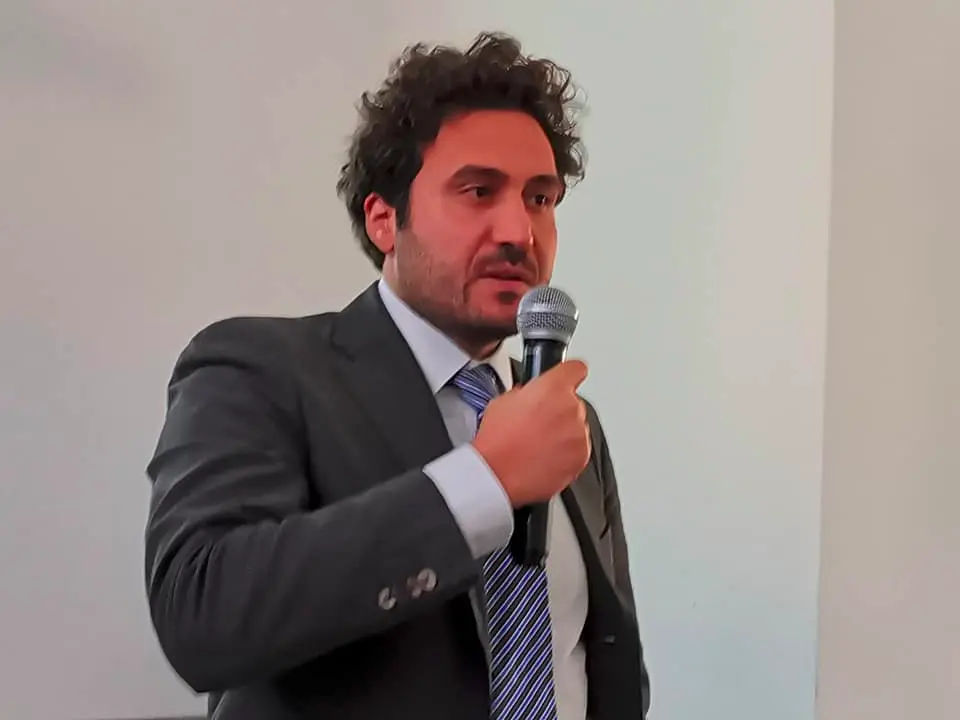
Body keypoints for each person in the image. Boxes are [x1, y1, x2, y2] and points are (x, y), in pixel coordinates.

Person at [145, 31, 651, 720]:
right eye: (479, 191)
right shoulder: (259, 369)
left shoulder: (569, 421)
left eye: (540, 199)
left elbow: (596, 660)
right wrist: (486, 480)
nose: (519, 232)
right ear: (384, 220)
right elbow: (203, 616)